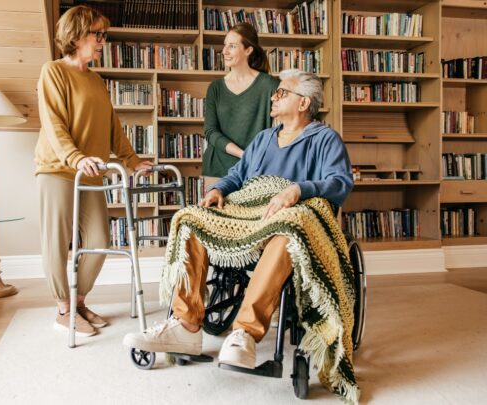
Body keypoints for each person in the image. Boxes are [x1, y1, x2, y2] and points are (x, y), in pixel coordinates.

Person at [123, 69, 353, 368]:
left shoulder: (325, 139)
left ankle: (244, 332)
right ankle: (186, 325)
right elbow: (237, 175)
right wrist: (219, 188)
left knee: (289, 232)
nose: (274, 96)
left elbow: (340, 183)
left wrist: (298, 190)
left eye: (282, 92)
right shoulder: (263, 139)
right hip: (247, 216)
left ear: (303, 103)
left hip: (286, 222)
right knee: (192, 219)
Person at [35, 5, 152, 337]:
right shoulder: (53, 72)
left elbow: (112, 126)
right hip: (57, 169)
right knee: (57, 242)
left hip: (91, 172)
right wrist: (74, 157)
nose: (103, 40)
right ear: (76, 35)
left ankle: (79, 301)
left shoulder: (97, 80)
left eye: (104, 34)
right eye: (97, 34)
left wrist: (130, 159)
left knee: (100, 240)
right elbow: (54, 123)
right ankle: (63, 309)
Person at [202, 22, 280, 191]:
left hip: (256, 169)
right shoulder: (215, 88)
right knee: (214, 217)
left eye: (232, 46)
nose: (224, 51)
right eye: (224, 46)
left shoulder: (270, 85)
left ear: (248, 50)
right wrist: (244, 155)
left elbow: (283, 128)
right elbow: (210, 131)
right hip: (217, 169)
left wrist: (255, 158)